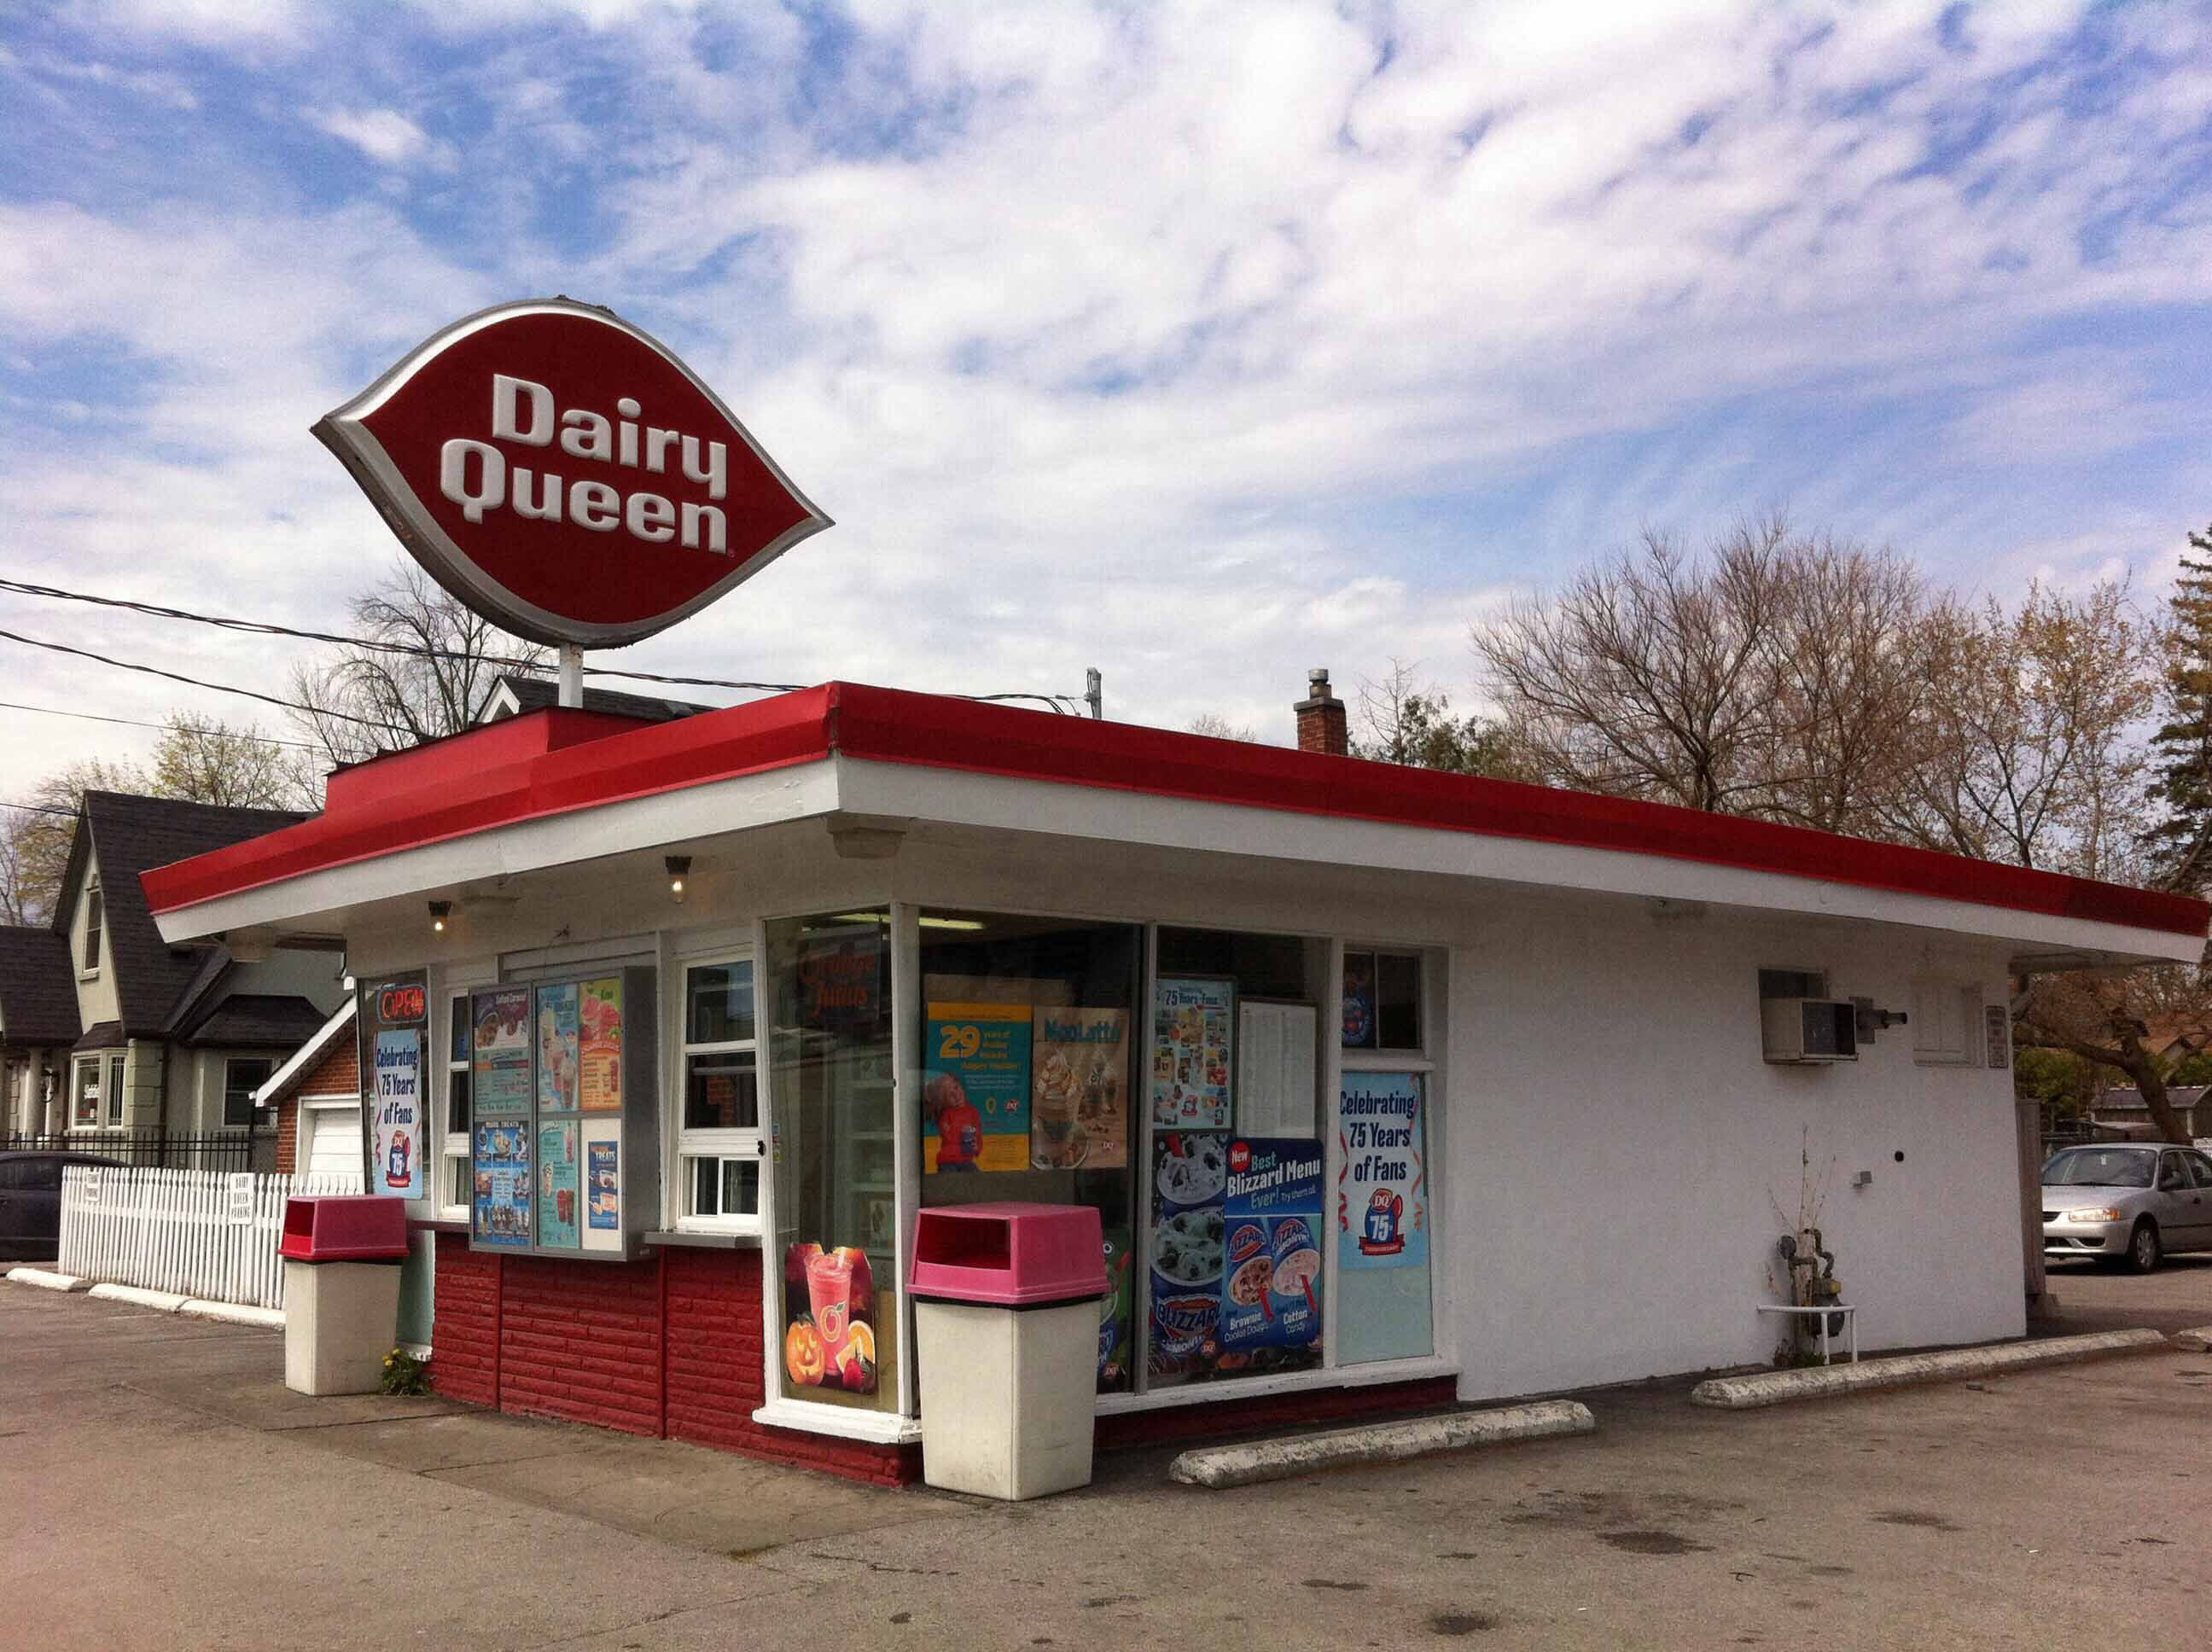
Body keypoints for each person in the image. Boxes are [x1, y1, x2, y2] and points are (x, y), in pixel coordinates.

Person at [925, 1072, 982, 1171]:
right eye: (950, 1094)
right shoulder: (947, 1114)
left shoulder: (972, 1111)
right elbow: (948, 1138)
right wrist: (961, 1130)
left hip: (966, 1161)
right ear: (945, 1101)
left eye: (956, 1088)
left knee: (975, 1176)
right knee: (950, 1178)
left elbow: (978, 1134)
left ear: (960, 1085)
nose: (956, 1095)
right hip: (947, 1161)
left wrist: (977, 1147)